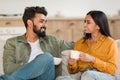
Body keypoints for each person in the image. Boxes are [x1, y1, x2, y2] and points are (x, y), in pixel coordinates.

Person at [0, 6, 74, 80]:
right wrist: (34, 66)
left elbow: (74, 45)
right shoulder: (12, 43)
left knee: (47, 57)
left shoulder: (52, 41)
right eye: (41, 21)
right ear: (29, 23)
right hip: (21, 78)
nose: (45, 25)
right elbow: (8, 69)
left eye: (45, 22)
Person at [67, 10, 118, 80]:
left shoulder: (110, 43)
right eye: (84, 21)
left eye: (88, 22)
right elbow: (73, 71)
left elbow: (112, 70)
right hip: (85, 75)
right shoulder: (80, 43)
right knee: (61, 78)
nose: (84, 25)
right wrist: (72, 64)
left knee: (88, 75)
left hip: (105, 76)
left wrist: (92, 60)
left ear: (98, 26)